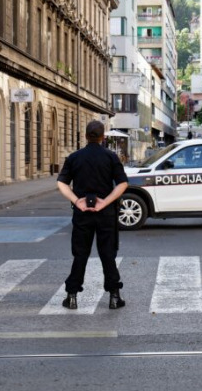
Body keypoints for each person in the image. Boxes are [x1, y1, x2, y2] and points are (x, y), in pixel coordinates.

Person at [56, 120, 129, 310]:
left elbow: (61, 183)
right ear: (103, 137)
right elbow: (122, 184)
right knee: (107, 255)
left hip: (82, 214)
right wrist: (106, 201)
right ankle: (114, 297)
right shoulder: (111, 157)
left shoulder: (74, 158)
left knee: (80, 254)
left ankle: (71, 297)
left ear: (86, 136)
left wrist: (76, 200)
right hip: (105, 213)